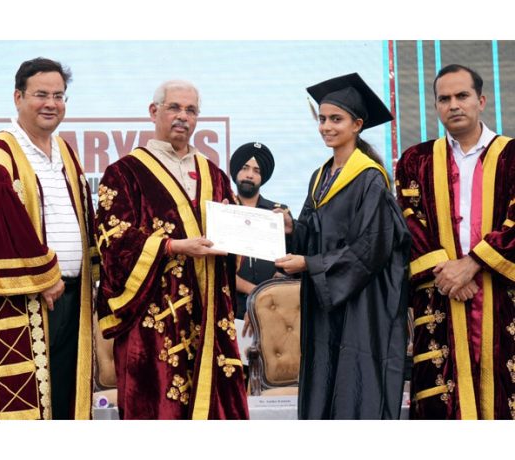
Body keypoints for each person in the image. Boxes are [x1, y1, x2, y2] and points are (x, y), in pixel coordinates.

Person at [0, 58, 98, 420]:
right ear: (18, 97)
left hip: (71, 295)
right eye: (41, 94)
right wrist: (44, 276)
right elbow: (1, 230)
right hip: (23, 299)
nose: (51, 103)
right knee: (24, 399)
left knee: (64, 393)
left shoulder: (65, 151)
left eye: (59, 96)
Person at [94, 80, 249, 419]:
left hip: (209, 315)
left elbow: (235, 240)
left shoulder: (216, 175)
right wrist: (173, 246)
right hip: (154, 320)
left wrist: (247, 237)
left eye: (191, 110)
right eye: (174, 108)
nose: (183, 117)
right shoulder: (123, 173)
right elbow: (113, 241)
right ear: (154, 112)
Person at [277, 73, 411, 419]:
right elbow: (313, 234)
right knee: (324, 380)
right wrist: (293, 229)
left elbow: (371, 248)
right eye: (322, 119)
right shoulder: (321, 175)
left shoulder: (370, 178)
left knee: (356, 386)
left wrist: (310, 265)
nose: (325, 127)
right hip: (326, 304)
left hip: (362, 307)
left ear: (357, 124)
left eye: (335, 119)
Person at [395, 64, 515, 420]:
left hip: (502, 295)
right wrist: (450, 276)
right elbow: (408, 222)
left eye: (462, 96)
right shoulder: (415, 160)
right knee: (441, 402)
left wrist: (472, 264)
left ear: (480, 100)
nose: (454, 105)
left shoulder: (511, 155)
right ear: (435, 107)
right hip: (439, 294)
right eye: (444, 99)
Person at [229, 142, 287, 326]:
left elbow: (290, 263)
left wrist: (264, 297)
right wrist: (256, 293)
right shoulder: (224, 210)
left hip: (273, 307)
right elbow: (218, 269)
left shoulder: (279, 214)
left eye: (257, 170)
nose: (249, 175)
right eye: (245, 168)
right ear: (236, 171)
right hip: (231, 309)